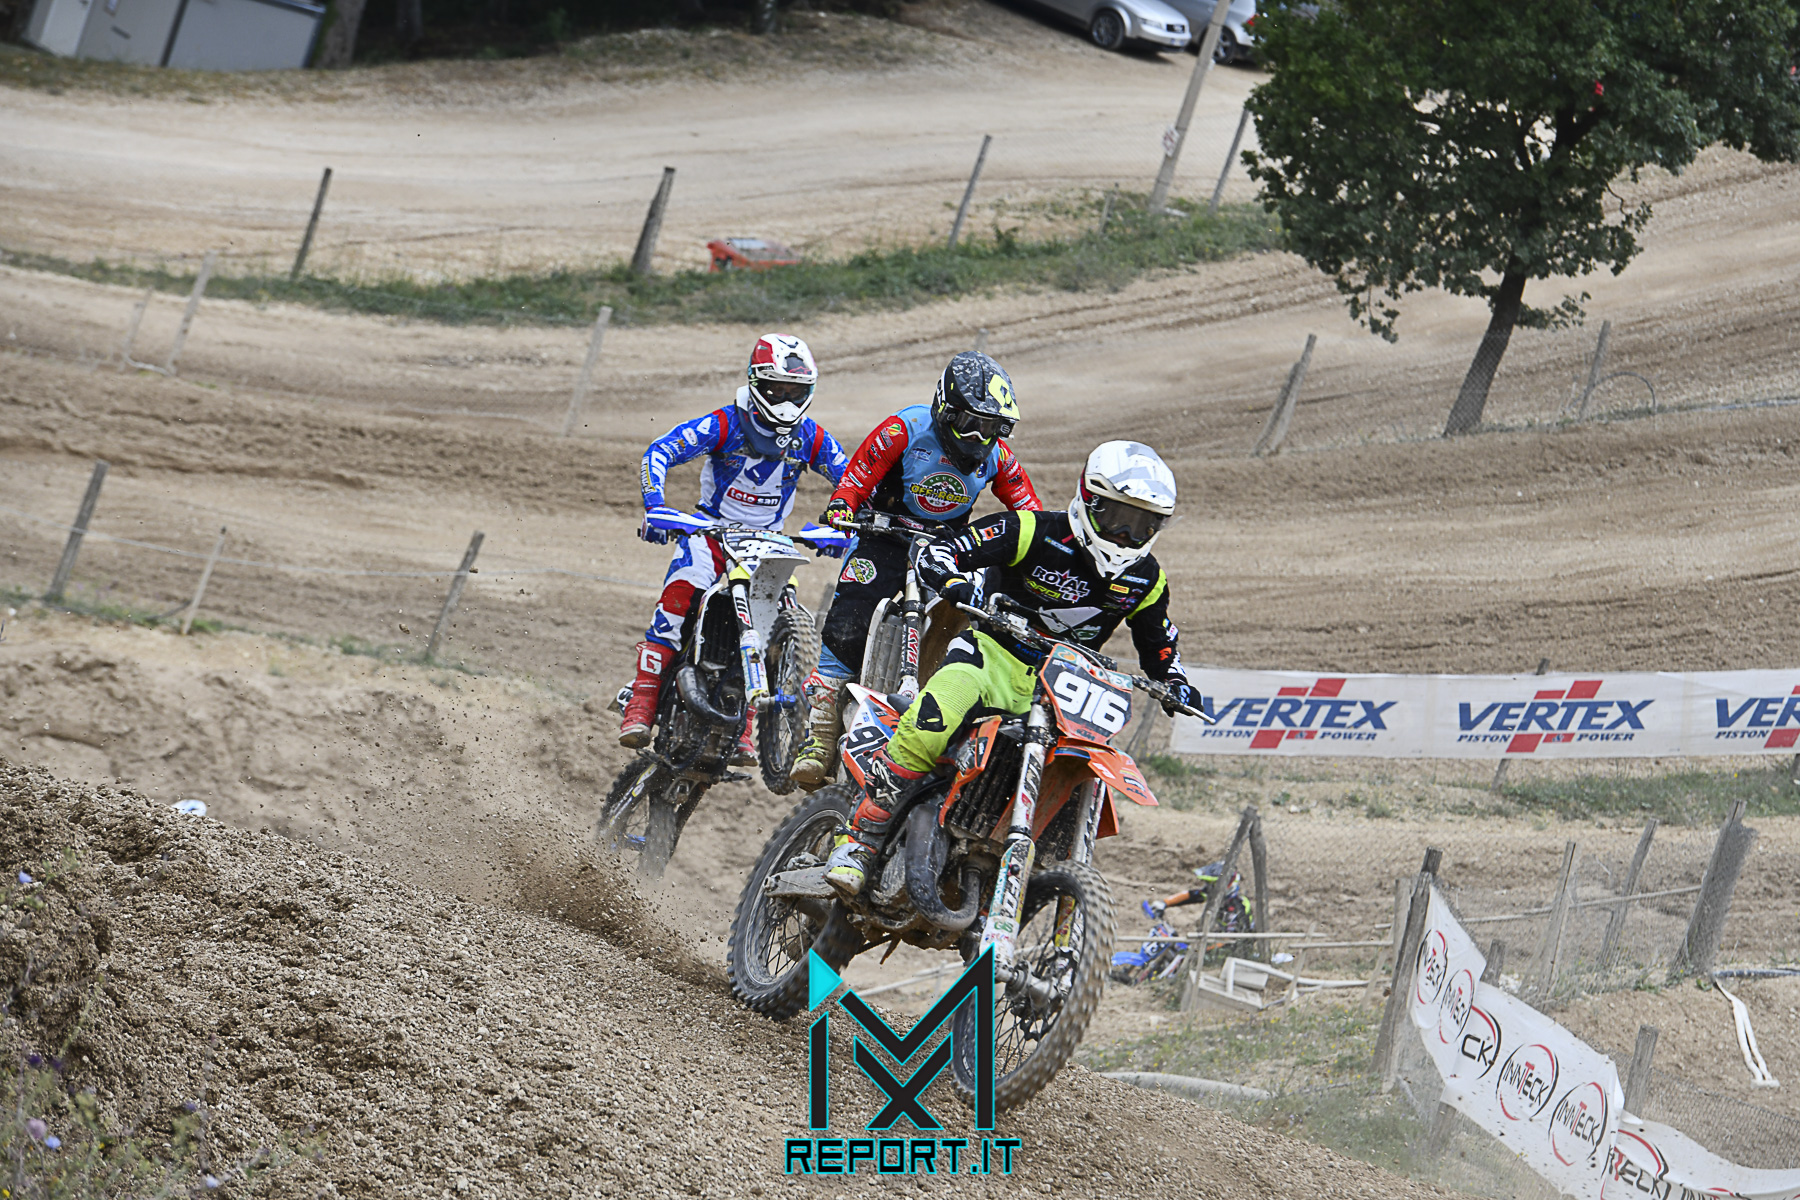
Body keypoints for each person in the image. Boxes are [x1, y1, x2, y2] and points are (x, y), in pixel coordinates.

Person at [823, 440, 1203, 896]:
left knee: (1078, 772)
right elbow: (943, 551)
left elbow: (1159, 644)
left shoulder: (1146, 579)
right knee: (933, 719)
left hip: (1066, 687)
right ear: (1089, 500)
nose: (1125, 535)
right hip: (992, 656)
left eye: (1141, 525)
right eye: (1118, 518)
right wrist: (951, 578)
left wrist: (1174, 680)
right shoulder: (1030, 530)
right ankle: (861, 839)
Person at [789, 351, 1042, 789]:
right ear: (946, 409)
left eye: (992, 427)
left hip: (945, 549)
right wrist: (843, 505)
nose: (979, 437)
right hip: (885, 534)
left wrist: (1036, 550)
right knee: (851, 615)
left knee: (974, 616)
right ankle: (820, 735)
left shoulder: (998, 458)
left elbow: (1029, 515)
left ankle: (940, 715)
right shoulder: (903, 429)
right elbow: (858, 475)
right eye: (971, 423)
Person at [620, 334, 849, 758]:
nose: (786, 400)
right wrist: (655, 507)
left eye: (795, 391)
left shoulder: (811, 437)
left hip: (768, 544)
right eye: (777, 389)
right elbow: (660, 450)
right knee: (678, 598)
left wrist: (843, 526)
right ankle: (642, 700)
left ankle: (747, 722)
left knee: (776, 620)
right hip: (711, 533)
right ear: (756, 383)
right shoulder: (725, 424)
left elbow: (853, 483)